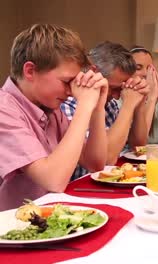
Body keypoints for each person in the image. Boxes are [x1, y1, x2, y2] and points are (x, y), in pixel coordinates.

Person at [0, 24, 107, 210]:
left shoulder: (49, 107)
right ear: (30, 71)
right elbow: (54, 180)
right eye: (66, 82)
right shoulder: (4, 110)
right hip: (13, 231)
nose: (70, 92)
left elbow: (95, 163)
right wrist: (84, 106)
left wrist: (97, 108)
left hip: (47, 219)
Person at [62, 41, 150, 178]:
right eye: (113, 88)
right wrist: (128, 106)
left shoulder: (109, 104)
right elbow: (106, 159)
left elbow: (138, 146)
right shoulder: (68, 105)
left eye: (120, 89)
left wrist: (139, 102)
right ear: (94, 72)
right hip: (78, 188)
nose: (116, 96)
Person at [129, 46, 158, 143]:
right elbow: (138, 143)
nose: (146, 73)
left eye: (149, 68)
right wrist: (151, 98)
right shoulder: (119, 99)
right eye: (138, 68)